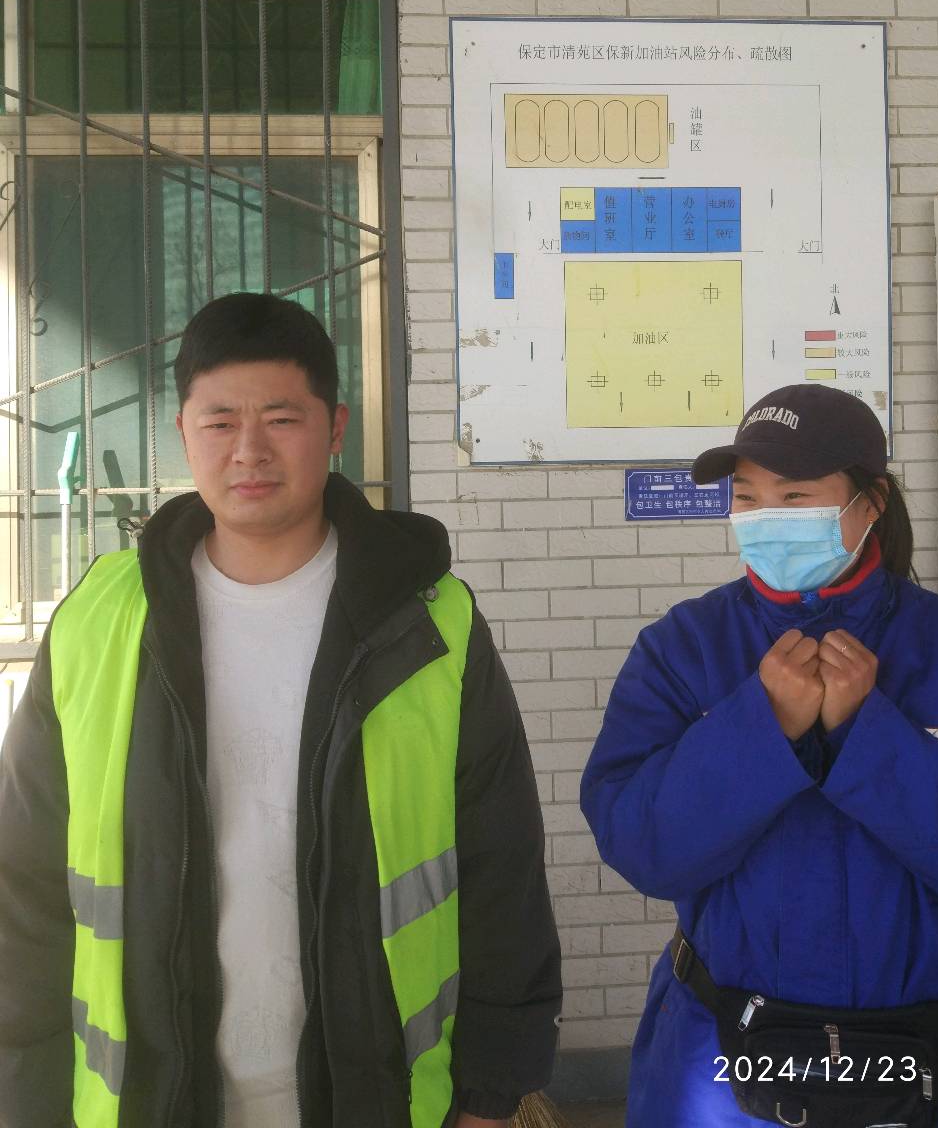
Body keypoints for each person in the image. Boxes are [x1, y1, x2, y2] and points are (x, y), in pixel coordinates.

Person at [0, 292, 561, 1128]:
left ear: (336, 429)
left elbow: (502, 864)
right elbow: (25, 879)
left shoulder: (428, 622)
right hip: (148, 1101)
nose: (249, 450)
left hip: (379, 1096)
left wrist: (489, 1092)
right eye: (220, 421)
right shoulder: (98, 621)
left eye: (282, 419)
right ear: (183, 431)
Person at [580, 382, 938, 1128]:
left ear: (870, 504)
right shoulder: (682, 649)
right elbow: (639, 845)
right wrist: (762, 727)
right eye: (747, 498)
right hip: (719, 1059)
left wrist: (868, 735)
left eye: (794, 497)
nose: (764, 518)